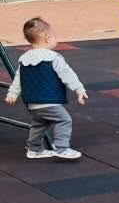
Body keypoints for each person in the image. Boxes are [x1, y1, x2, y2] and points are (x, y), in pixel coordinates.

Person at [4, 16, 86, 160]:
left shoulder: (24, 59)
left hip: (32, 102)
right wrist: (79, 89)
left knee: (39, 124)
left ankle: (34, 149)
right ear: (48, 38)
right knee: (64, 120)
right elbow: (68, 75)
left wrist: (12, 93)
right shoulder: (54, 58)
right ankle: (62, 148)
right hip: (49, 101)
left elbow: (18, 78)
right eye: (54, 36)